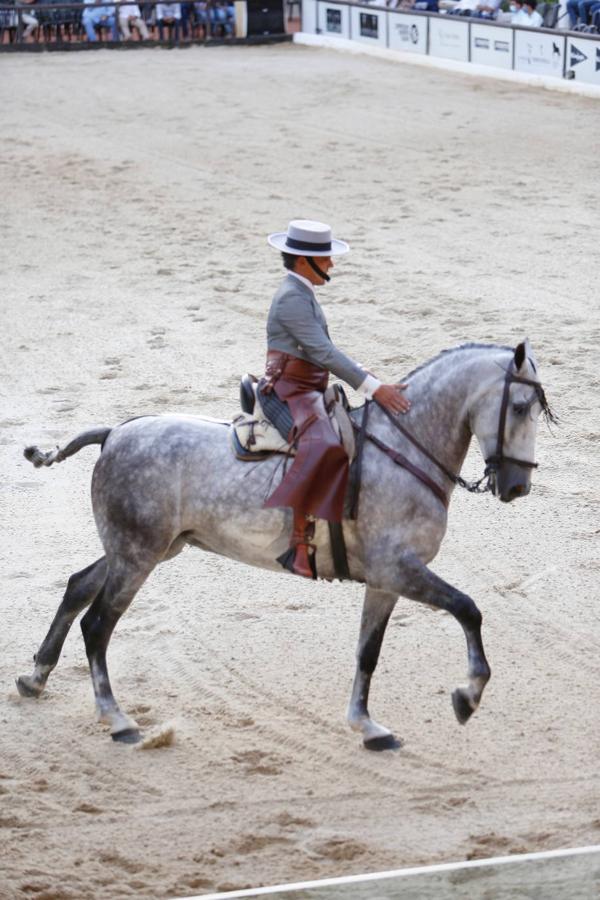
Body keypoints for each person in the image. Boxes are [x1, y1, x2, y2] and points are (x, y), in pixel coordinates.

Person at [260, 219, 410, 579]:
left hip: (307, 387)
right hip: (288, 391)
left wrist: (367, 374)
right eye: (324, 258)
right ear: (302, 262)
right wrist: (374, 388)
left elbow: (323, 352)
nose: (331, 264)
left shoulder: (301, 292)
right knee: (324, 445)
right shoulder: (291, 299)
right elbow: (324, 352)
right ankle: (298, 543)